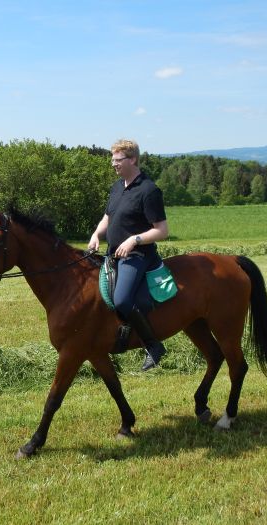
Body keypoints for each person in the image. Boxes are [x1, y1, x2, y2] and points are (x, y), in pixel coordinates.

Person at [88, 139, 169, 371]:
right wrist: (96, 235)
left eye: (118, 160)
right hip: (112, 253)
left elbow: (162, 230)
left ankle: (153, 346)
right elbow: (108, 218)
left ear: (132, 159)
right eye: (112, 160)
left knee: (122, 299)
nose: (113, 164)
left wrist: (134, 240)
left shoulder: (148, 190)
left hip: (138, 256)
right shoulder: (117, 187)